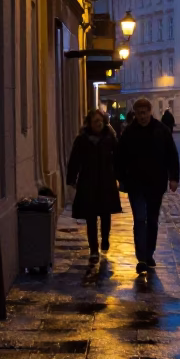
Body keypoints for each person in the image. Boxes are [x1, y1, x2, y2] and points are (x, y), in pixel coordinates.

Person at [115, 97, 180, 274]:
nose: (142, 116)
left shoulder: (162, 130)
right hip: (135, 184)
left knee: (152, 220)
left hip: (156, 184)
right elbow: (120, 158)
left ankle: (149, 252)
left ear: (150, 112)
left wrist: (173, 178)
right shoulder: (129, 133)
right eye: (139, 113)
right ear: (135, 114)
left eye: (144, 113)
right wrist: (121, 178)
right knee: (139, 219)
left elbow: (172, 155)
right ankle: (141, 258)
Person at [66, 110, 121, 258]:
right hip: (88, 182)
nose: (98, 123)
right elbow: (74, 160)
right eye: (95, 121)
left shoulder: (110, 138)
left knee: (105, 214)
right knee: (90, 217)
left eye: (100, 120)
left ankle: (105, 240)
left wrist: (121, 177)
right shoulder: (82, 139)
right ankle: (94, 249)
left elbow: (118, 159)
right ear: (89, 123)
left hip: (106, 182)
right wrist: (71, 178)